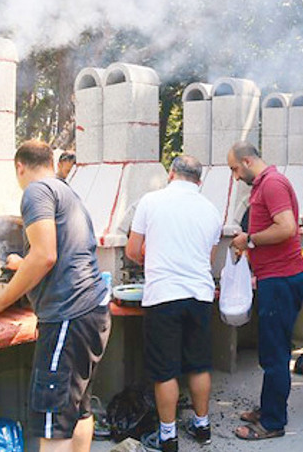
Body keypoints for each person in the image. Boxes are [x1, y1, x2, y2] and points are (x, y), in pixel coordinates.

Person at [0, 140, 110, 452]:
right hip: (93, 311)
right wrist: (23, 264)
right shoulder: (66, 191)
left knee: (53, 421)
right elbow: (61, 251)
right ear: (51, 162)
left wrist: (1, 300)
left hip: (68, 316)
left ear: (19, 167)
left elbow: (46, 255)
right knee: (78, 409)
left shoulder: (35, 192)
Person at [125, 155, 223, 452]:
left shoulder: (150, 201)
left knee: (165, 370)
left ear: (171, 174)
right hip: (200, 296)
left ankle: (168, 436)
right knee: (199, 364)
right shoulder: (211, 210)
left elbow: (132, 251)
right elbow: (208, 259)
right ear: (199, 181)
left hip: (164, 296)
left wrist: (152, 257)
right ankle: (202, 426)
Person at [227, 141, 303, 441]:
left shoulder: (272, 183)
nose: (235, 176)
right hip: (276, 278)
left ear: (247, 161)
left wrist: (249, 240)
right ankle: (268, 408)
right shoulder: (264, 184)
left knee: (275, 354)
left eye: (235, 169)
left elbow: (286, 228)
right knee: (271, 350)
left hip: (281, 279)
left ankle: (273, 422)